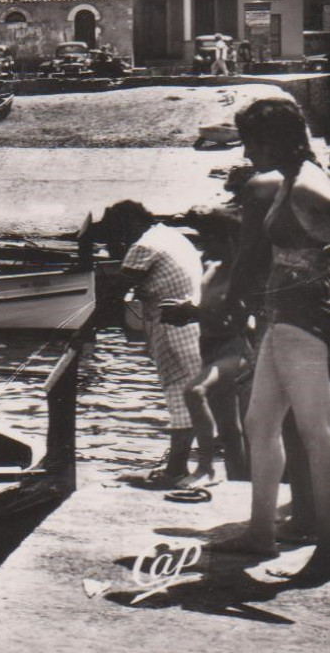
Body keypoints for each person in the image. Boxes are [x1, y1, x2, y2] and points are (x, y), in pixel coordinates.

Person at [212, 98, 330, 579]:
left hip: (309, 326)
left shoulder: (308, 188)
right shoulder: (287, 182)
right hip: (283, 322)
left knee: (317, 436)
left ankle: (327, 551)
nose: (247, 152)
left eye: (252, 142)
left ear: (279, 140)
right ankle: (261, 531)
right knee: (260, 424)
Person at [100, 201, 206, 488]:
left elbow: (114, 290)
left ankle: (176, 470)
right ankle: (190, 466)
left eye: (118, 233)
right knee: (193, 397)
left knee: (179, 395)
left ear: (129, 226)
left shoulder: (144, 246)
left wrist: (84, 328)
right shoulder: (170, 235)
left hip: (173, 327)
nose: (119, 240)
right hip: (190, 322)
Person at [161, 208, 253, 485]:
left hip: (236, 350)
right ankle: (240, 483)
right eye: (205, 237)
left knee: (194, 391)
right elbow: (207, 310)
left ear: (232, 240)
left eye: (213, 238)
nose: (207, 244)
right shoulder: (210, 269)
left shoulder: (245, 276)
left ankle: (206, 469)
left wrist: (194, 313)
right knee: (228, 429)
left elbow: (244, 322)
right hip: (208, 348)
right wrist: (184, 311)